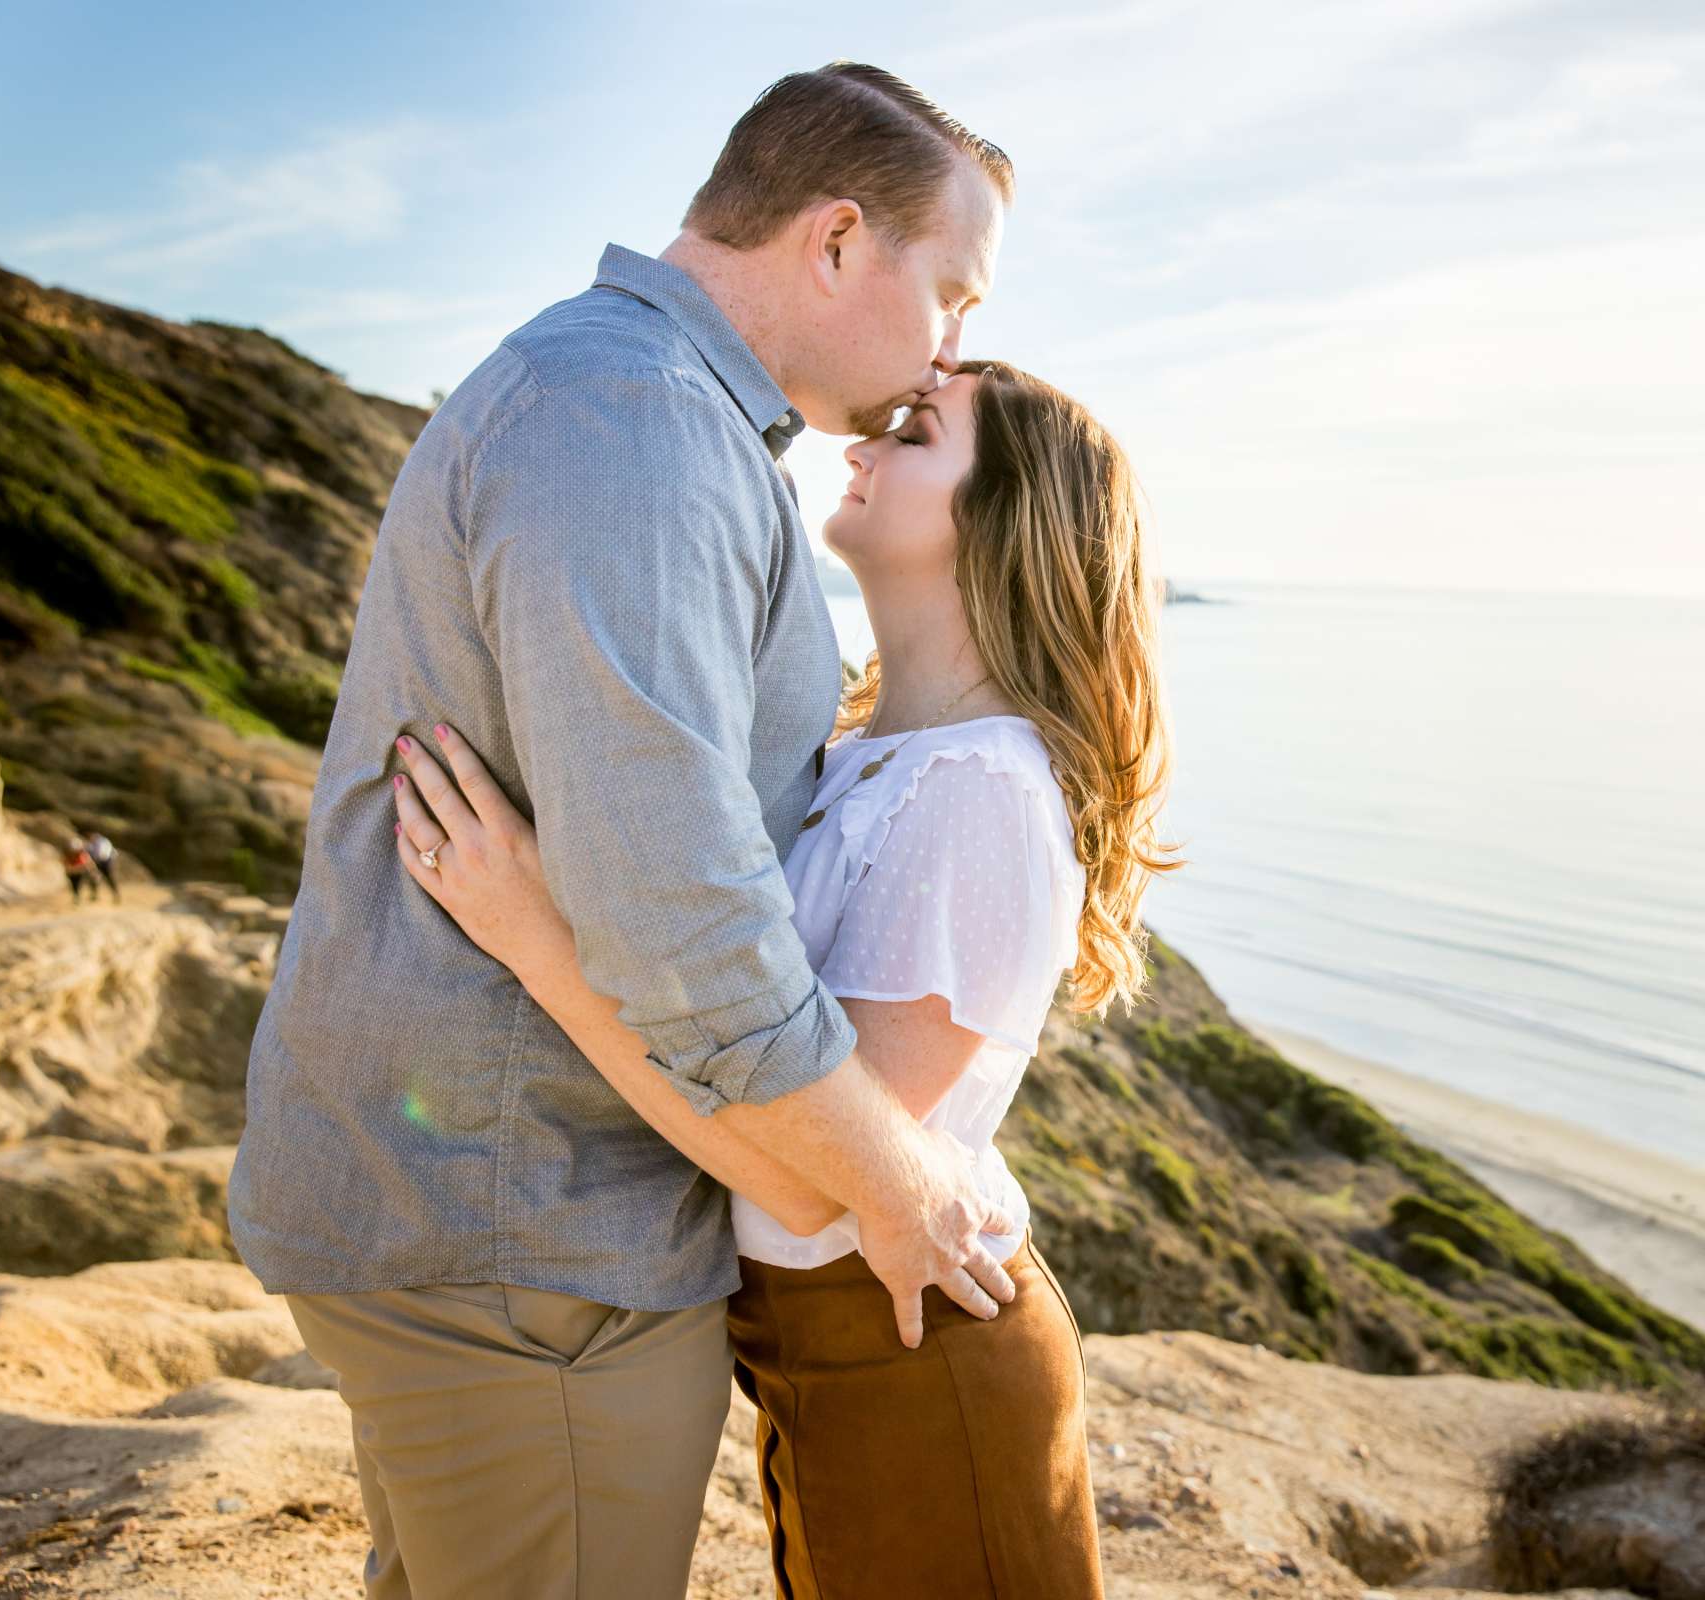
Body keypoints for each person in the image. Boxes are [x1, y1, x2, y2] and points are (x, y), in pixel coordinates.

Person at [227, 63, 1018, 1600]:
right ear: (840, 240)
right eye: (953, 291)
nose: (952, 346)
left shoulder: (651, 410)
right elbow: (679, 908)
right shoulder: (635, 421)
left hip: (493, 1224)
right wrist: (894, 1184)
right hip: (526, 1249)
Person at [393, 360, 1172, 1598]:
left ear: (1006, 516)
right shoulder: (870, 752)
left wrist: (531, 929)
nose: (861, 444)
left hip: (920, 1355)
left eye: (915, 434)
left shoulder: (977, 787)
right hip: (824, 1346)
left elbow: (824, 1180)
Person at [83, 827, 122, 902]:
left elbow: (103, 853)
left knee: (110, 878)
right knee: (93, 878)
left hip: (105, 862)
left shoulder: (103, 841)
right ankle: (94, 895)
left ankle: (116, 894)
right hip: (96, 862)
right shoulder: (91, 843)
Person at [63, 836, 95, 904]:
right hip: (73, 872)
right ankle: (76, 897)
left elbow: (87, 864)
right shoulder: (67, 855)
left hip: (80, 872)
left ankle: (93, 893)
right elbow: (66, 866)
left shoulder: (82, 855)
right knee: (74, 885)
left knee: (90, 880)